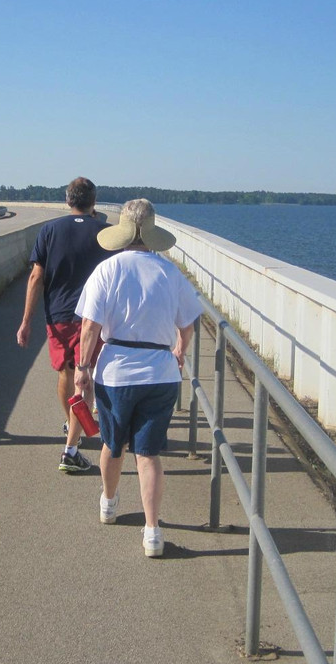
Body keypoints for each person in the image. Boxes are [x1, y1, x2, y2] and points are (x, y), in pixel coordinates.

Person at [74, 199, 202, 557]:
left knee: (113, 446)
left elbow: (89, 327)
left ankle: (109, 503)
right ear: (151, 234)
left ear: (123, 231)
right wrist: (180, 350)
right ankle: (152, 532)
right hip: (160, 373)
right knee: (148, 454)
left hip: (115, 373)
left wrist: (83, 370)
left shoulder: (107, 270)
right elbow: (188, 325)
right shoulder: (170, 272)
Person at [16, 177, 115, 473]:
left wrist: (25, 322)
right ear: (93, 202)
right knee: (87, 374)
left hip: (57, 316)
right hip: (94, 316)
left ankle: (73, 424)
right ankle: (75, 434)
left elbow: (36, 277)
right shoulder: (106, 234)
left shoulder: (49, 230)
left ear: (67, 200)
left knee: (67, 373)